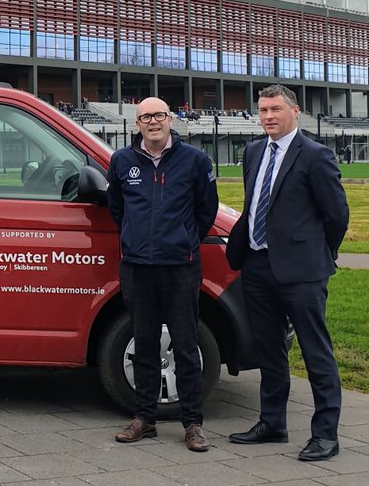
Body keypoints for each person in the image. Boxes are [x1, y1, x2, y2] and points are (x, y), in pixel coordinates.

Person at [226, 85, 349, 461]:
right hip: (258, 265)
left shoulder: (315, 155)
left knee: (315, 352)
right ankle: (272, 423)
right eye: (262, 110)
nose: (268, 117)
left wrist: (318, 254)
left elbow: (337, 215)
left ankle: (326, 434)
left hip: (303, 272)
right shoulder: (252, 152)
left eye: (275, 109)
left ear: (295, 111)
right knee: (269, 349)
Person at [107, 97, 218, 452]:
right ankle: (144, 418)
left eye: (158, 115)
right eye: (145, 117)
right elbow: (117, 210)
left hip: (180, 267)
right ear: (137, 123)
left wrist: (183, 241)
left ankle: (192, 423)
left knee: (186, 345)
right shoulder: (122, 161)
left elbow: (207, 209)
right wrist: (136, 240)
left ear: (170, 119)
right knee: (144, 344)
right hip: (138, 268)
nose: (152, 122)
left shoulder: (195, 161)